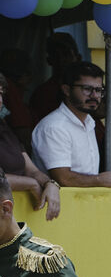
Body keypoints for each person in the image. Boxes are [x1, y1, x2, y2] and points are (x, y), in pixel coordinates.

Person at [31, 62, 111, 188]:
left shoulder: (89, 122)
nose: (94, 96)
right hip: (59, 200)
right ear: (67, 90)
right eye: (87, 89)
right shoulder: (54, 126)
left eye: (98, 90)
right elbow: (63, 179)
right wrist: (99, 180)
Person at [0, 74, 59, 220]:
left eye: (0, 93)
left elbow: (32, 171)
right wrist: (30, 184)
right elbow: (31, 179)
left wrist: (50, 184)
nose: (0, 100)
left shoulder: (5, 129)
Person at [28, 33, 81, 122]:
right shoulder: (43, 94)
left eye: (66, 54)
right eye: (56, 56)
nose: (61, 60)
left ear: (78, 58)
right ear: (49, 60)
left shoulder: (90, 89)